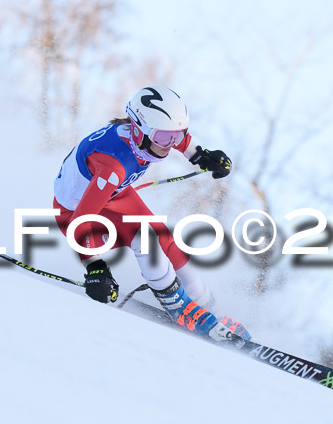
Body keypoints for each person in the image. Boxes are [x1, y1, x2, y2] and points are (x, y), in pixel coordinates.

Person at [53, 86, 249, 341]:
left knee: (163, 236)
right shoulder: (113, 166)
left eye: (175, 137)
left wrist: (202, 156)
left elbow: (180, 140)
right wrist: (95, 268)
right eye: (164, 138)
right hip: (75, 213)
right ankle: (176, 304)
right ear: (138, 129)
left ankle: (205, 303)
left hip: (111, 195)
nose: (170, 146)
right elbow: (80, 223)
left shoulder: (142, 137)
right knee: (145, 238)